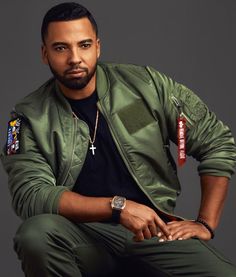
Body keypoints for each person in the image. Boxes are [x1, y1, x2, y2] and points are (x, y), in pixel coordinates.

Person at [1, 2, 236, 276]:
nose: (75, 58)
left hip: (154, 231)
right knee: (35, 235)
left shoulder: (146, 86)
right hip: (81, 235)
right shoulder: (25, 119)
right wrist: (117, 207)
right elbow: (30, 195)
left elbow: (216, 142)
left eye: (84, 45)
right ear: (45, 53)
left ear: (98, 47)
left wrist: (206, 223)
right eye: (61, 47)